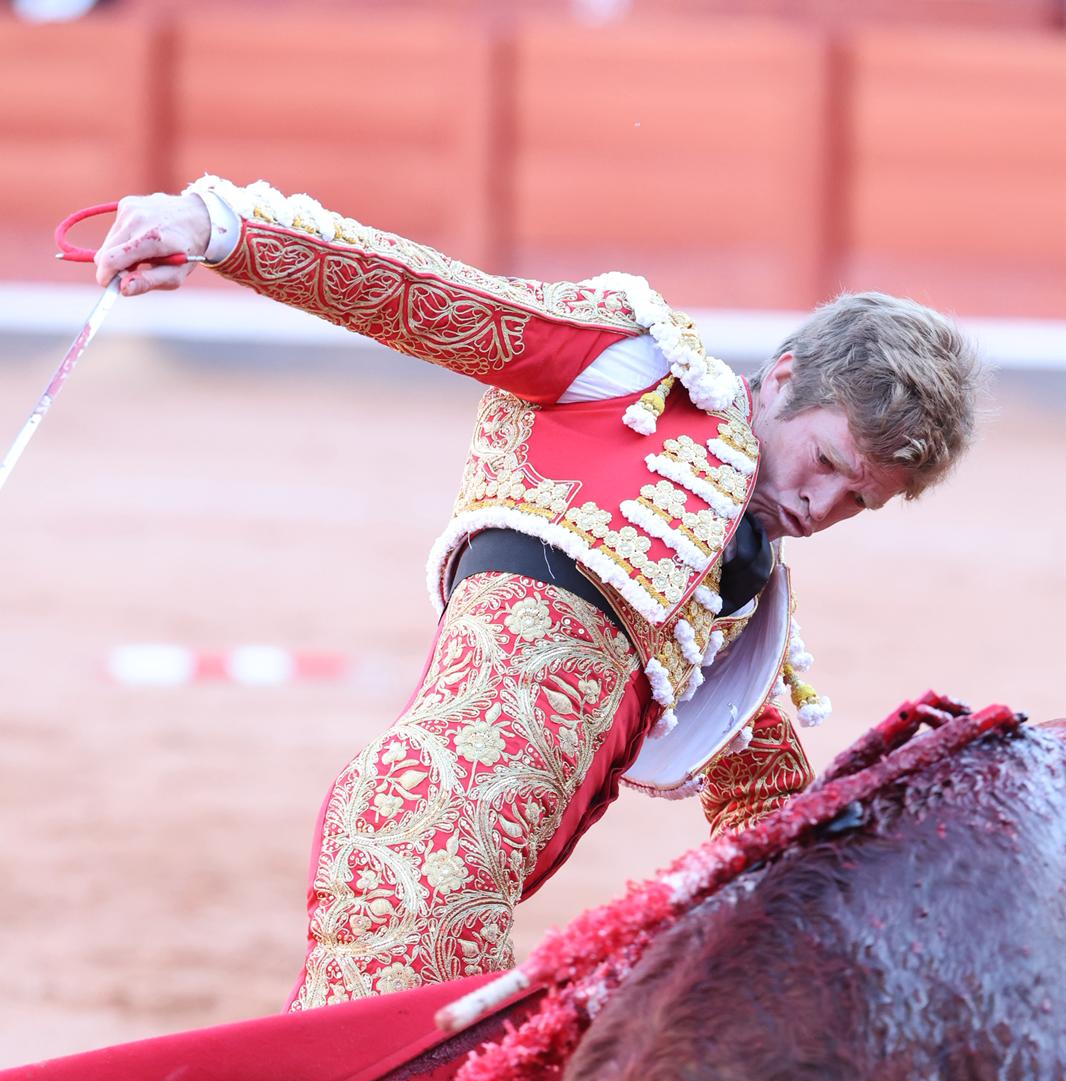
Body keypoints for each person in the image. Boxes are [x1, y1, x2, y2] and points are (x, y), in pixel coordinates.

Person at [95, 178, 981, 1010]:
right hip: (422, 850)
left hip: (482, 891)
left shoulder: (744, 603)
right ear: (784, 376)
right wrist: (217, 229)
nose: (818, 507)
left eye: (858, 501)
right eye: (825, 461)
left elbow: (763, 818)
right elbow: (426, 296)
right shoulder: (633, 374)